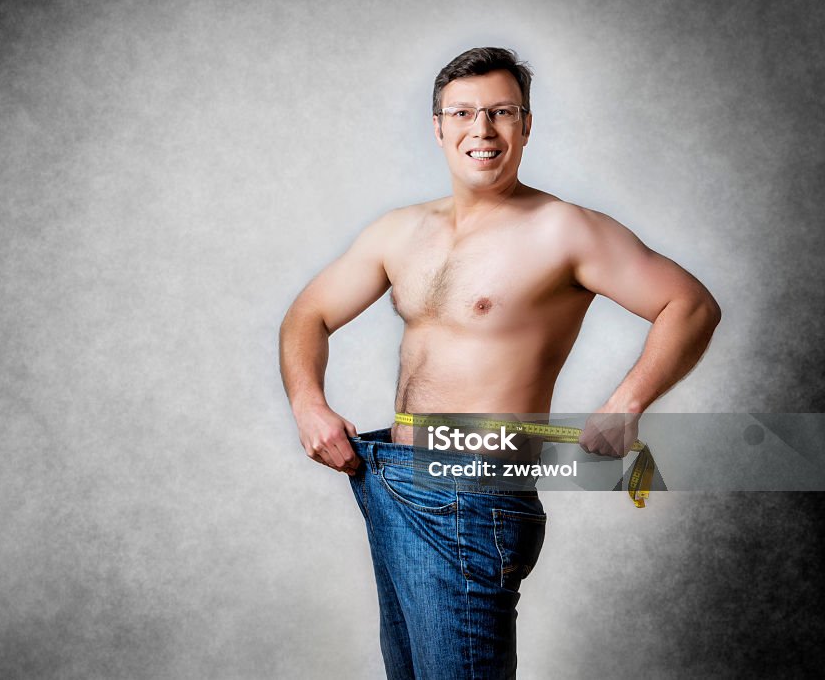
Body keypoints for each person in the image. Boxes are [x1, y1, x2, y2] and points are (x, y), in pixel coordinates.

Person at [278, 47, 720, 679]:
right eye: (462, 113)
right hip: (391, 481)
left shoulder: (564, 230)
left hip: (474, 493)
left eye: (501, 112)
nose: (481, 130)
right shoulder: (399, 231)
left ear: (526, 124)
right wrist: (307, 402)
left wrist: (625, 405)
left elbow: (691, 304)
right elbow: (307, 314)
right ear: (438, 127)